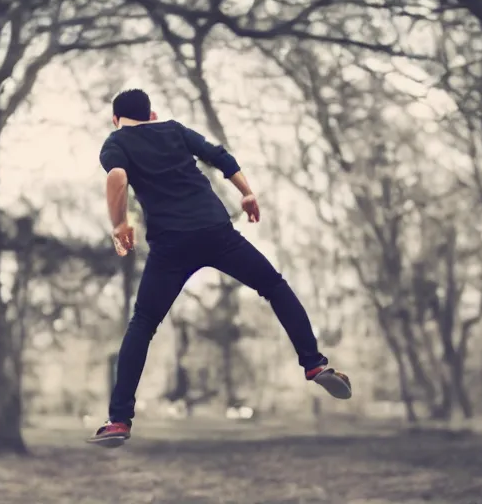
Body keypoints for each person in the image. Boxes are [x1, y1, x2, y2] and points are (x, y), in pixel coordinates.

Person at [86, 89, 351, 447]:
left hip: (170, 246)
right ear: (152, 114)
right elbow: (219, 156)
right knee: (273, 286)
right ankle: (314, 363)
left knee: (144, 323)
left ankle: (119, 419)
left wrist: (119, 225)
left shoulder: (116, 143)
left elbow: (116, 178)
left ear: (116, 119)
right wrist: (247, 192)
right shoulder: (175, 130)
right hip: (215, 231)